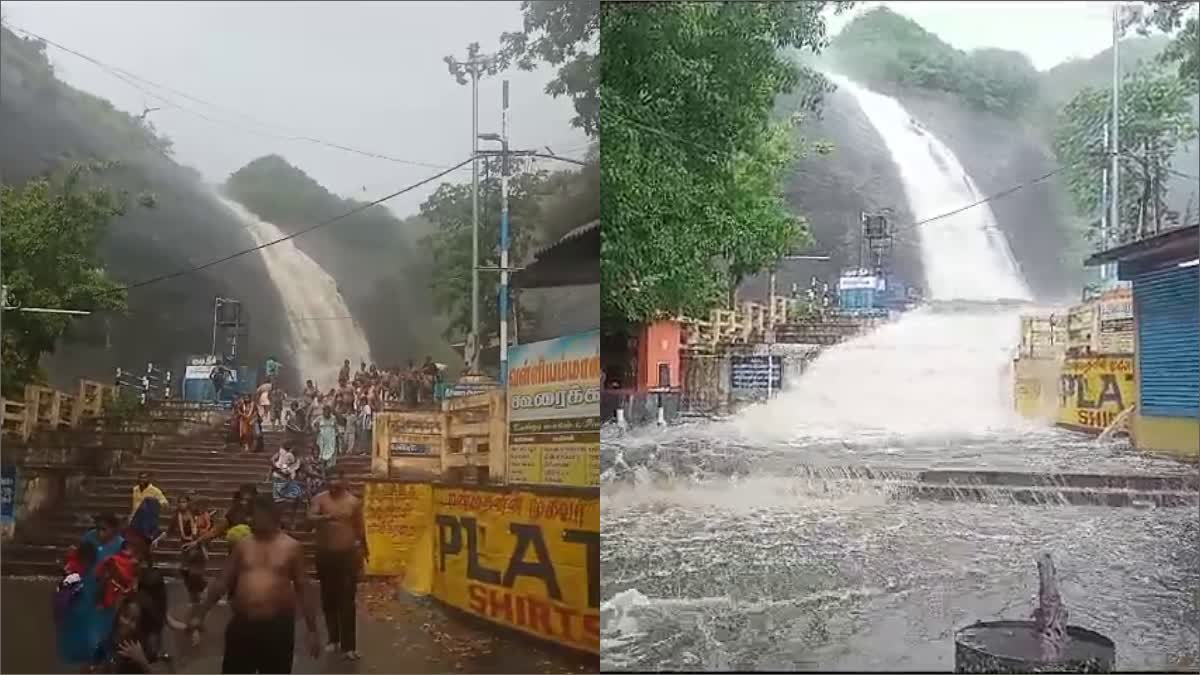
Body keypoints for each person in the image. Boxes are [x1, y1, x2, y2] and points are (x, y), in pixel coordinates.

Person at [188, 495, 321, 673]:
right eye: (251, 515)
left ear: (272, 516)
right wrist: (200, 613)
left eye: (257, 515)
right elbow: (222, 582)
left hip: (277, 628)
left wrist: (312, 630)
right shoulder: (243, 545)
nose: (252, 519)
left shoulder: (291, 547)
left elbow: (303, 588)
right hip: (243, 625)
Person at [308, 470, 368, 660]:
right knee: (328, 598)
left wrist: (365, 550)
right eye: (330, 479)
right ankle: (333, 639)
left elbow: (360, 528)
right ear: (326, 481)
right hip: (325, 555)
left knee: (347, 601)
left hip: (347, 556)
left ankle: (349, 646)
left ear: (344, 480)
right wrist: (325, 518)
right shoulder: (320, 499)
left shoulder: (353, 502)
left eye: (337, 479)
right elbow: (309, 517)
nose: (334, 483)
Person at [58, 514, 127, 666]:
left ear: (114, 530)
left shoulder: (121, 545)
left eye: (104, 529)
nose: (100, 533)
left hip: (107, 595)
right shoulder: (89, 537)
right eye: (98, 529)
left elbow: (125, 571)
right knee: (86, 632)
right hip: (87, 589)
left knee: (105, 632)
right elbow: (78, 559)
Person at [270, 442, 303, 529]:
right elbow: (278, 464)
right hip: (280, 478)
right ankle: (279, 522)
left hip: (289, 479)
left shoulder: (297, 459)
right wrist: (280, 469)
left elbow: (296, 469)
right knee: (279, 501)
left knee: (296, 498)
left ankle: (291, 520)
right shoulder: (284, 454)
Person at [312, 406, 338, 471]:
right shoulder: (319, 418)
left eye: (328, 411)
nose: (326, 413)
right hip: (322, 436)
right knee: (321, 449)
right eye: (325, 411)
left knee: (331, 449)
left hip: (331, 437)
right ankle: (321, 465)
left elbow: (336, 427)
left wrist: (336, 434)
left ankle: (330, 466)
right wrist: (316, 429)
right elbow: (313, 424)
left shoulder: (333, 418)